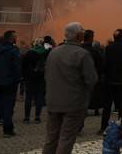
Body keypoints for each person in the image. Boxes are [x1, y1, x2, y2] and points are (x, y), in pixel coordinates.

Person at [42, 22, 98, 154]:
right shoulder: (82, 54)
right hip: (73, 104)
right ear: (79, 36)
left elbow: (46, 75)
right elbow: (92, 80)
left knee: (51, 139)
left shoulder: (53, 52)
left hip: (53, 102)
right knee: (66, 140)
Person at [100, 29, 122, 134]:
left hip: (109, 81)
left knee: (107, 106)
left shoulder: (108, 48)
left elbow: (104, 64)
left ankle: (103, 127)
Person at [22, 37, 49, 123]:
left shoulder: (29, 52)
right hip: (41, 77)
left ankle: (27, 117)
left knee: (29, 97)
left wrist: (24, 76)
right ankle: (37, 117)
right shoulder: (46, 52)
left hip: (29, 77)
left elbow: (24, 65)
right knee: (39, 97)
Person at [81, 30, 103, 117]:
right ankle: (96, 109)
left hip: (81, 77)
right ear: (91, 38)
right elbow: (100, 64)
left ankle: (84, 109)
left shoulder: (79, 49)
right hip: (93, 76)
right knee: (94, 93)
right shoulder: (94, 51)